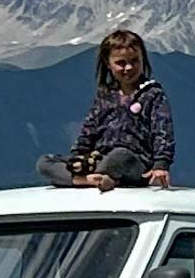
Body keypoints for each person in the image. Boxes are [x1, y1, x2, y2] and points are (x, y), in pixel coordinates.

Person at [37, 28, 175, 189]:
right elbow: (89, 130)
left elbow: (163, 130)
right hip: (98, 159)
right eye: (121, 63)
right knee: (44, 162)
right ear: (108, 63)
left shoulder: (153, 94)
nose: (129, 67)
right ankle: (90, 180)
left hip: (136, 163)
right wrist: (78, 158)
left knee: (119, 155)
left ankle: (85, 179)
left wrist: (161, 165)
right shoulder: (105, 95)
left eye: (134, 61)